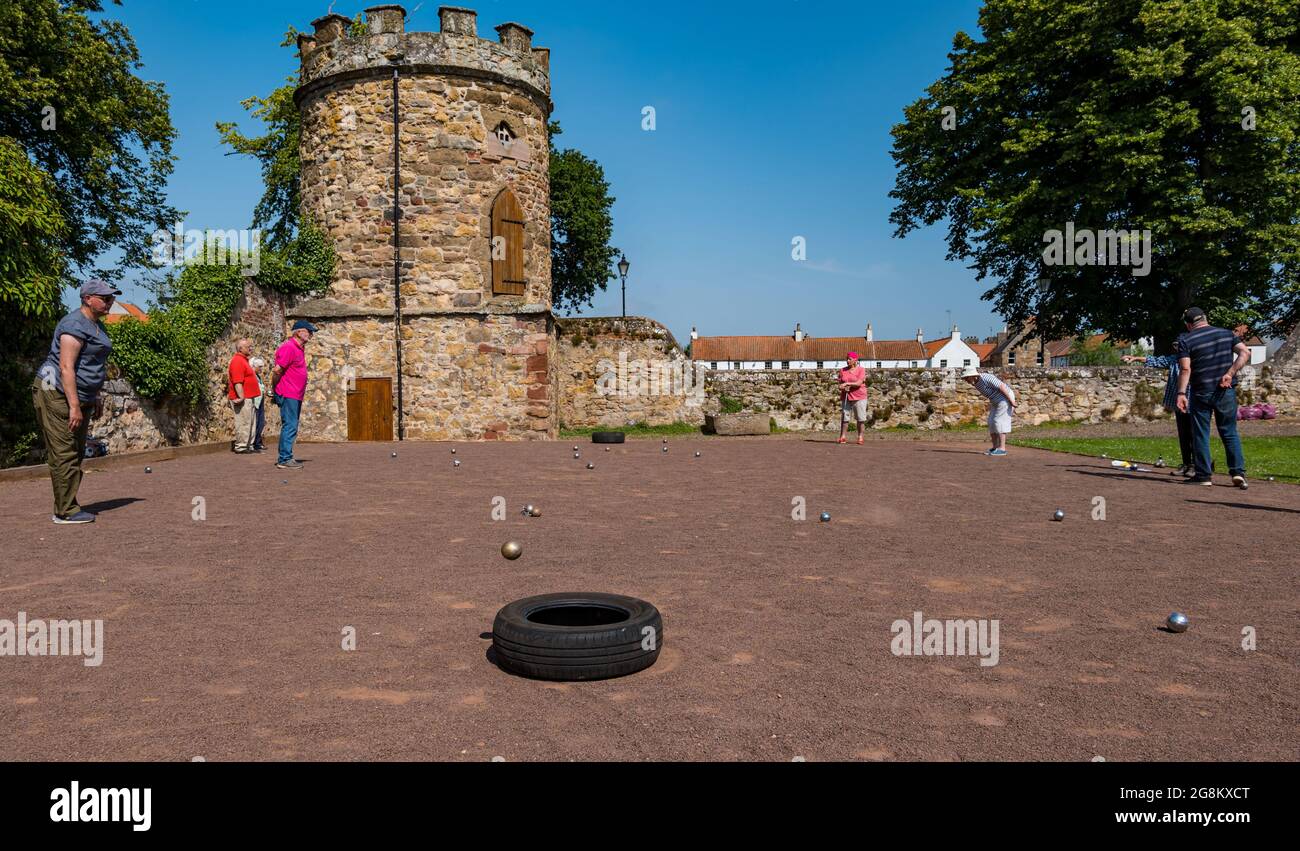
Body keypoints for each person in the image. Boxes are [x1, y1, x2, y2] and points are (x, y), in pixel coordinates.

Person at [31, 278, 120, 524]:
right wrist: (73, 406)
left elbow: (92, 366)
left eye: (111, 297)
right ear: (87, 299)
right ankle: (65, 511)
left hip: (79, 394)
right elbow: (67, 367)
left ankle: (68, 504)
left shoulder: (97, 325)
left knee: (76, 451)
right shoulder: (73, 324)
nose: (110, 302)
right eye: (104, 298)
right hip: (55, 390)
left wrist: (95, 395)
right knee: (64, 451)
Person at [1175, 307, 1250, 488]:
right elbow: (1245, 352)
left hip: (1201, 391)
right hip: (1225, 390)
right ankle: (1237, 472)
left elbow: (1185, 369)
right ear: (1206, 318)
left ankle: (1204, 475)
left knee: (1200, 433)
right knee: (1229, 431)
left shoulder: (1186, 339)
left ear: (1189, 324)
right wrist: (1230, 373)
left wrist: (1181, 393)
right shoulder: (1226, 334)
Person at [1123, 352, 1194, 476]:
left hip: (1193, 402)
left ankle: (1196, 465)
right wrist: (1136, 358)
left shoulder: (1195, 360)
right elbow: (1155, 360)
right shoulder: (1173, 359)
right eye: (1176, 346)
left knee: (1194, 435)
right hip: (1179, 403)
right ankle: (1186, 464)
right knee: (1183, 435)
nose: (1177, 348)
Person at [270, 320, 316, 470]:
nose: (311, 334)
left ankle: (286, 457)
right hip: (288, 392)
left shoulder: (298, 348)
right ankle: (284, 458)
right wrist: (276, 389)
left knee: (291, 425)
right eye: (308, 331)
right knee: (290, 425)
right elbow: (277, 370)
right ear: (298, 332)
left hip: (294, 393)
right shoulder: (289, 347)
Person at [961, 366, 1016, 456]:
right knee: (991, 421)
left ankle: (1002, 448)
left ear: (973, 375)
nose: (965, 380)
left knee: (999, 421)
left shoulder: (986, 377)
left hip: (1005, 398)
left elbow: (1001, 386)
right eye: (964, 378)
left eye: (966, 377)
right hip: (995, 400)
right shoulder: (975, 383)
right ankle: (995, 447)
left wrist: (1011, 401)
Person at [227, 338, 260, 453]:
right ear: (240, 349)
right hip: (243, 398)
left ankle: (248, 446)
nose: (250, 348)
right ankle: (241, 446)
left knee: (250, 422)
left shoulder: (243, 360)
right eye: (247, 347)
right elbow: (237, 381)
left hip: (249, 397)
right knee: (243, 422)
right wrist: (241, 396)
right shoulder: (237, 361)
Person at [837, 352, 868, 445]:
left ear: (855, 360)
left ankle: (860, 437)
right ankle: (842, 437)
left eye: (850, 359)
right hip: (846, 396)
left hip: (859, 396)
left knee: (860, 418)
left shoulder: (861, 370)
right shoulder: (842, 370)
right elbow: (839, 383)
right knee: (844, 417)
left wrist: (847, 384)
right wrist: (841, 387)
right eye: (847, 359)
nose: (847, 361)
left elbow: (858, 383)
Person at [249, 355, 268, 453]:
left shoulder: (258, 376)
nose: (261, 369)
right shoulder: (251, 376)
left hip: (259, 401)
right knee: (255, 423)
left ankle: (257, 442)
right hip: (255, 402)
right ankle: (254, 443)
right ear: (254, 366)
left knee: (260, 422)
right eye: (259, 366)